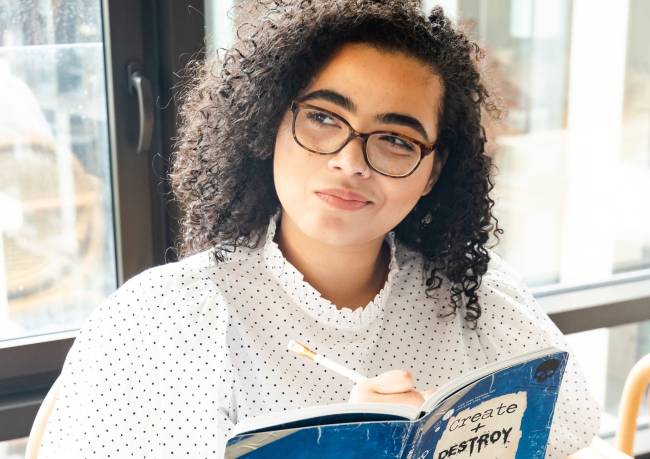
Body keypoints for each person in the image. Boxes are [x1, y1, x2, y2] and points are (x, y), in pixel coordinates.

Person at [38, 1, 601, 457]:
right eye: (325, 118)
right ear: (269, 124)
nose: (350, 162)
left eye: (396, 139)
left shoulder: (475, 294)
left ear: (433, 173)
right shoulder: (163, 318)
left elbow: (572, 432)